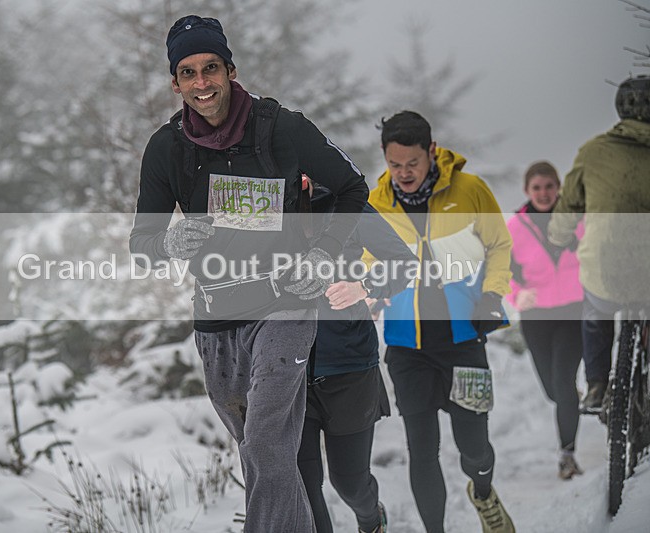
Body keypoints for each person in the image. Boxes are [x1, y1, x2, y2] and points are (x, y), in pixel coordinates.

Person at [129, 15, 368, 533]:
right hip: (216, 318)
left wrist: (324, 253)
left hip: (285, 304)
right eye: (188, 73)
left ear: (230, 70)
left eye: (210, 68)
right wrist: (170, 242)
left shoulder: (281, 128)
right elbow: (141, 245)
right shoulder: (166, 148)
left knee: (265, 441)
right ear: (175, 82)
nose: (201, 83)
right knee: (260, 454)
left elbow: (352, 188)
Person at [367, 111, 515, 533]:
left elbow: (499, 243)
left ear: (432, 152)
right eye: (395, 164)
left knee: (475, 448)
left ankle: (483, 493)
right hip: (406, 347)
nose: (404, 173)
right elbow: (366, 260)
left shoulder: (468, 189)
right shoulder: (376, 203)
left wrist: (493, 292)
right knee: (422, 450)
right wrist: (371, 291)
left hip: (465, 339)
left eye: (412, 163)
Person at [297, 177, 418, 533]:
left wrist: (364, 287)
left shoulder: (346, 206)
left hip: (349, 366)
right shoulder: (269, 211)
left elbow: (403, 262)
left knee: (349, 482)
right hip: (287, 368)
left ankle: (371, 518)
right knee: (303, 483)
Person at [548, 75, 650, 414]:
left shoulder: (593, 151)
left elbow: (569, 205)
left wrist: (558, 238)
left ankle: (596, 385)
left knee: (594, 310)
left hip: (607, 269)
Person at [506, 161, 584, 479]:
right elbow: (504, 271)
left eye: (549, 186)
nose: (543, 193)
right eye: (536, 187)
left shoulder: (577, 221)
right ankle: (568, 400)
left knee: (563, 384)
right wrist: (516, 296)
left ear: (558, 188)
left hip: (573, 313)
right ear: (527, 191)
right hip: (536, 316)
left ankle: (567, 454)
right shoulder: (515, 227)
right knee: (553, 390)